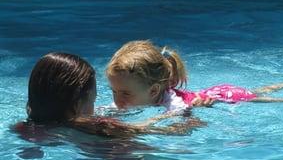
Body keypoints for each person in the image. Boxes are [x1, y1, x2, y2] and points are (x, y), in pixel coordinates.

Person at [106, 40, 283, 113]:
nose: (117, 100)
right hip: (219, 90)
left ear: (154, 91)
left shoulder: (171, 104)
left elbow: (178, 123)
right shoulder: (138, 99)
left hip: (229, 98)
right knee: (268, 88)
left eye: (124, 93)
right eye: (114, 92)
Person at [15, 52, 203, 140]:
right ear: (75, 106)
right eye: (93, 101)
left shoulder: (21, 129)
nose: (116, 100)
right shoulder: (103, 130)